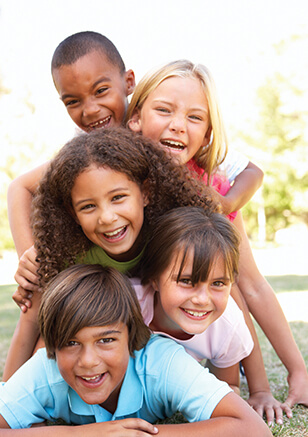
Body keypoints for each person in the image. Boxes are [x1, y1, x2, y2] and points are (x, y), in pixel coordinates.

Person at [126, 59, 308, 417]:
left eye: (195, 118)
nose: (178, 125)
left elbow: (250, 284)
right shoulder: (116, 178)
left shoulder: (209, 191)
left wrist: (291, 373)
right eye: (164, 110)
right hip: (133, 319)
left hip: (191, 323)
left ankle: (237, 377)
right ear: (135, 119)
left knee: (224, 278)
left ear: (207, 134)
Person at [2, 127, 218, 381]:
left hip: (161, 352)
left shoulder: (169, 237)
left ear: (146, 193)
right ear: (73, 213)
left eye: (118, 198)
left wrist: (260, 389)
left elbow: (223, 290)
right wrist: (7, 394)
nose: (106, 217)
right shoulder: (69, 255)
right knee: (45, 340)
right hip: (100, 355)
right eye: (88, 206)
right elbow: (30, 322)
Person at [0, 264, 271, 436]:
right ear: (53, 347)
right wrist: (88, 434)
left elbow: (252, 429)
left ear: (131, 338)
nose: (88, 362)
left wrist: (138, 434)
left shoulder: (161, 363)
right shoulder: (46, 371)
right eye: (71, 343)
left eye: (106, 340)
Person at [7, 30, 136, 262]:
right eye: (73, 102)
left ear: (129, 82)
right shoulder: (85, 157)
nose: (90, 110)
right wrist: (31, 261)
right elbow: (19, 187)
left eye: (100, 91)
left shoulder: (149, 132)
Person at [133, 206, 254, 396]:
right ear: (155, 279)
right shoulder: (128, 305)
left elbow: (227, 388)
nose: (202, 299)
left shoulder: (228, 328)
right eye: (186, 281)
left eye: (218, 283)